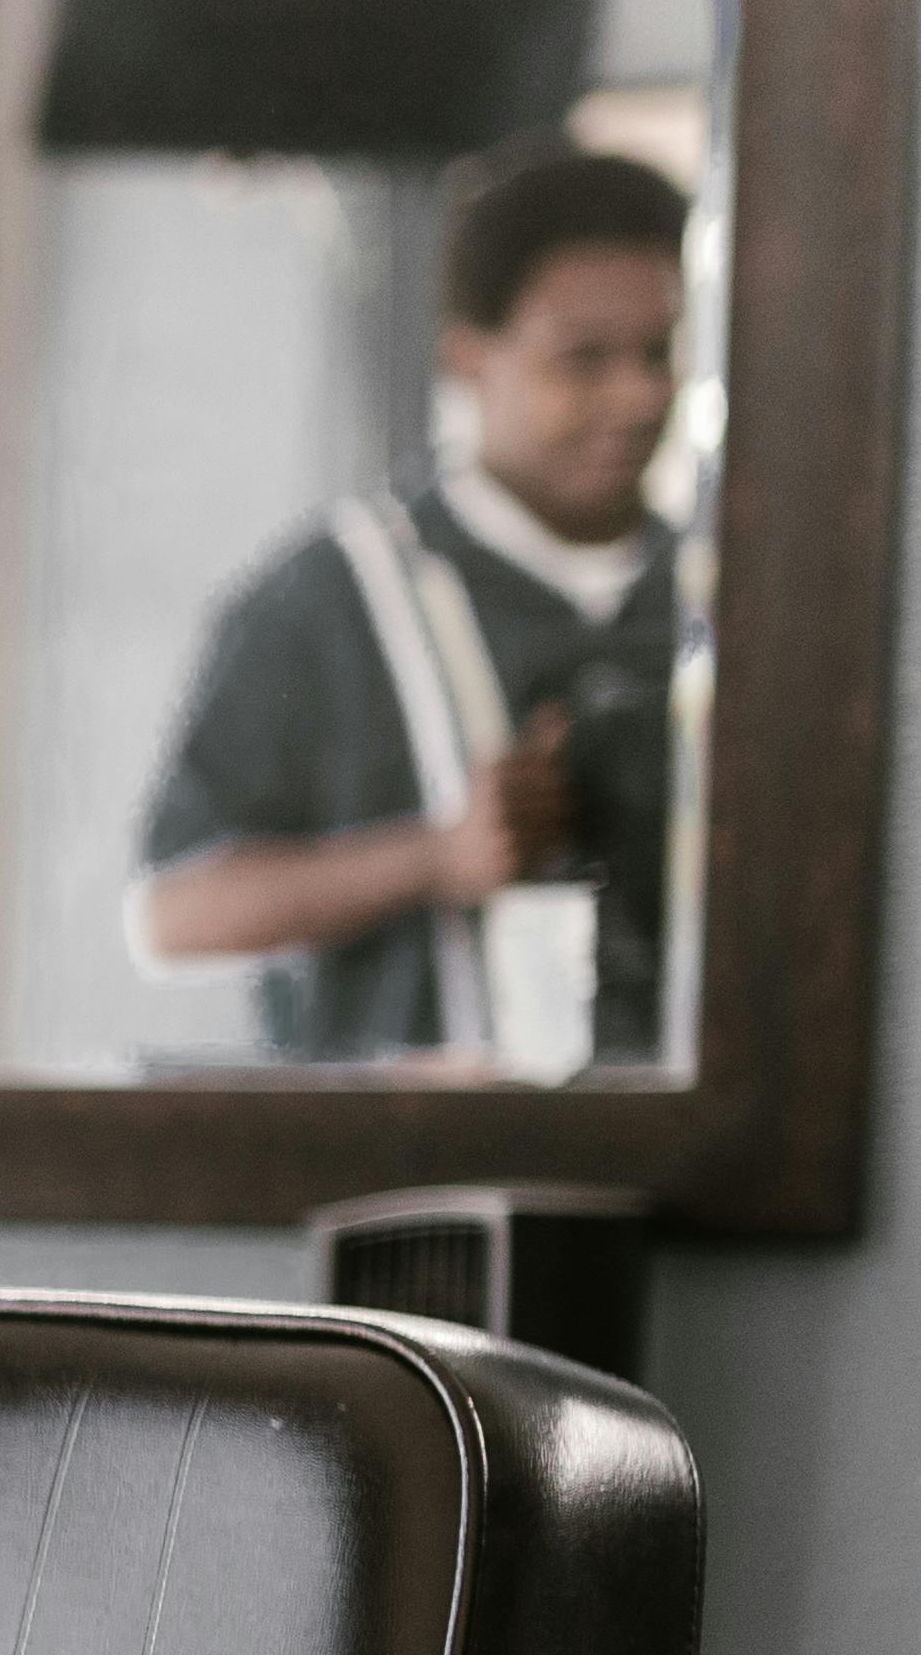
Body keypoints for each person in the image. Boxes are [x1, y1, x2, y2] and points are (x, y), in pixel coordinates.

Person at [132, 142, 695, 1065]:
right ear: (468, 359)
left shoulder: (720, 587)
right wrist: (437, 857)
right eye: (583, 360)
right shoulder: (329, 596)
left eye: (657, 353)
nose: (637, 398)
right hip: (411, 1163)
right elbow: (174, 911)